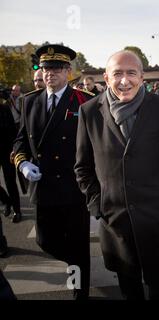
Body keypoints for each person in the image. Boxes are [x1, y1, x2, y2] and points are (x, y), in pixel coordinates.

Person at [75, 50, 159, 300]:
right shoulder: (89, 112)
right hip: (115, 221)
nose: (125, 80)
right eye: (117, 74)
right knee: (129, 287)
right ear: (105, 77)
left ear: (142, 77)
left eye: (131, 73)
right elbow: (82, 166)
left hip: (158, 217)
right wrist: (98, 205)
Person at [13, 44, 93, 300]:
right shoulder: (29, 101)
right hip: (43, 186)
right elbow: (20, 142)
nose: (50, 74)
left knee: (79, 244)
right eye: (45, 68)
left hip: (73, 186)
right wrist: (22, 163)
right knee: (45, 241)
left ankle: (80, 290)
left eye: (56, 68)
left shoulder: (84, 100)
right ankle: (77, 262)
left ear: (68, 71)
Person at [0, 101, 21, 222]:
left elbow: (13, 130)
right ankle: (7, 201)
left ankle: (17, 211)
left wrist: (14, 149)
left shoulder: (4, 109)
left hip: (7, 151)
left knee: (10, 182)